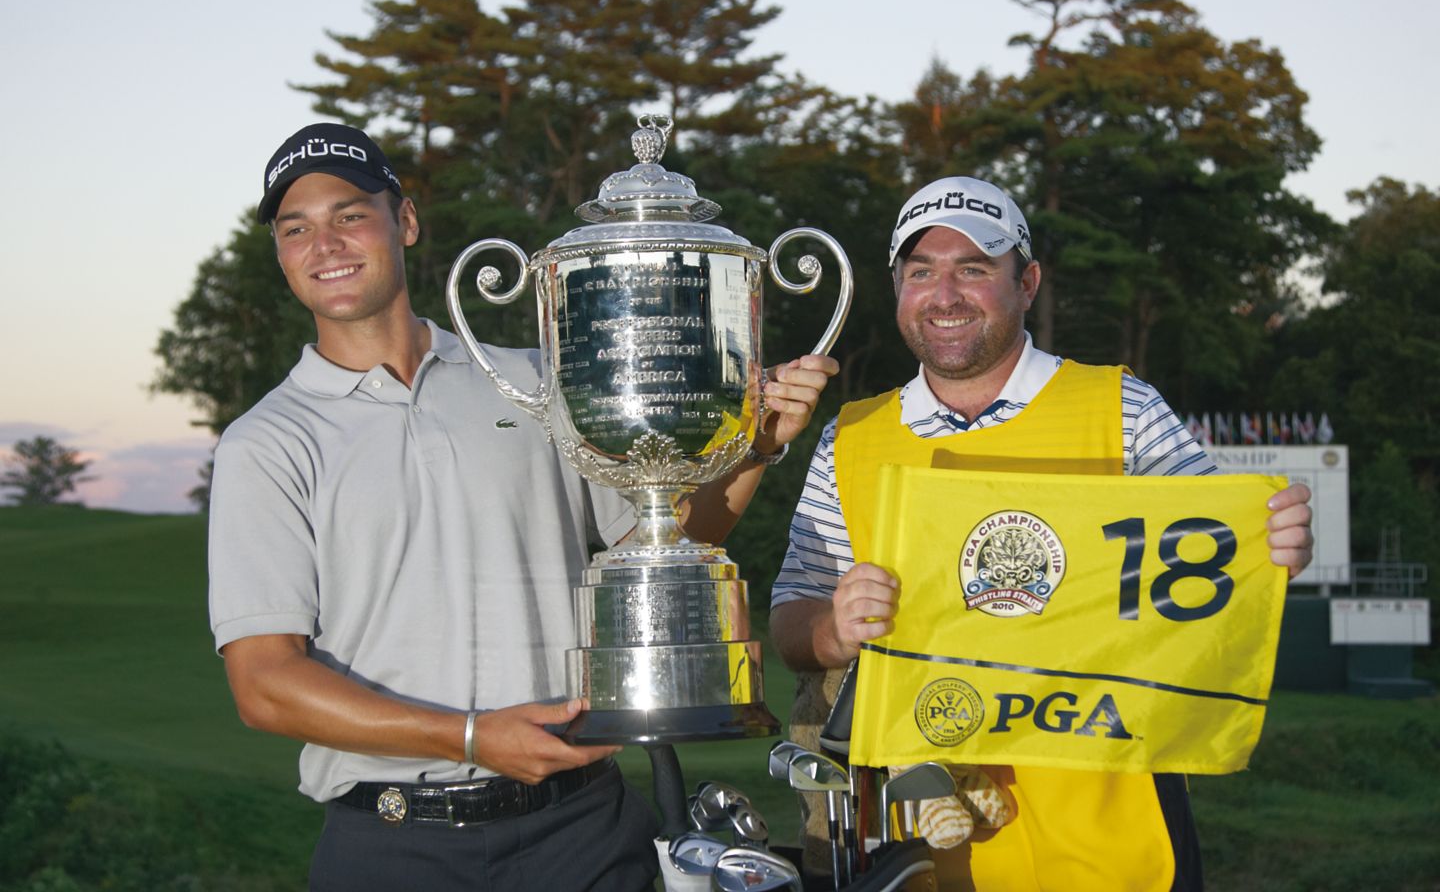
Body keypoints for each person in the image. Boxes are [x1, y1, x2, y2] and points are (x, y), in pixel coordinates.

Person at [208, 122, 838, 891]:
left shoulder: (537, 381)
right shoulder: (267, 442)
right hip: (393, 846)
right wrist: (470, 737)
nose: (325, 245)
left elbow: (662, 539)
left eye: (349, 215)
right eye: (295, 228)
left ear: (404, 221)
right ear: (279, 252)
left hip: (583, 827)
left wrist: (756, 445)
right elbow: (264, 683)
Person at [769, 175, 1314, 891]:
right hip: (919, 849)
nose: (945, 295)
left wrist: (1277, 548)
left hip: (1110, 841)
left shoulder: (1120, 407)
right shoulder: (853, 435)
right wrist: (836, 629)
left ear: (1026, 282)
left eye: (974, 269)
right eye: (921, 271)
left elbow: (1223, 561)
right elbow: (790, 625)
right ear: (896, 286)